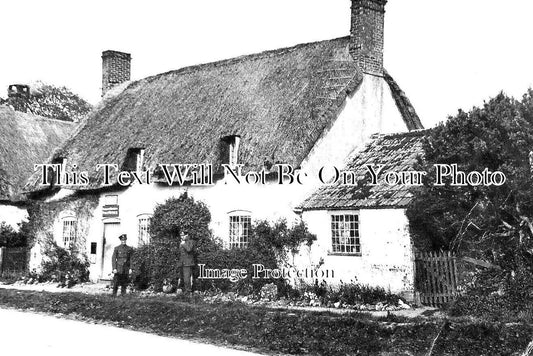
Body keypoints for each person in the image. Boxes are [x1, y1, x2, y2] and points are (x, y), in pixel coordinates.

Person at [178, 230, 196, 295]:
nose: (181, 237)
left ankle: (188, 291)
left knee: (187, 278)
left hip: (188, 263)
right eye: (181, 235)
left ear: (187, 235)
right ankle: (185, 290)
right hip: (183, 263)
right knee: (184, 278)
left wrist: (183, 244)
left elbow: (189, 249)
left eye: (182, 235)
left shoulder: (190, 241)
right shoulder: (183, 242)